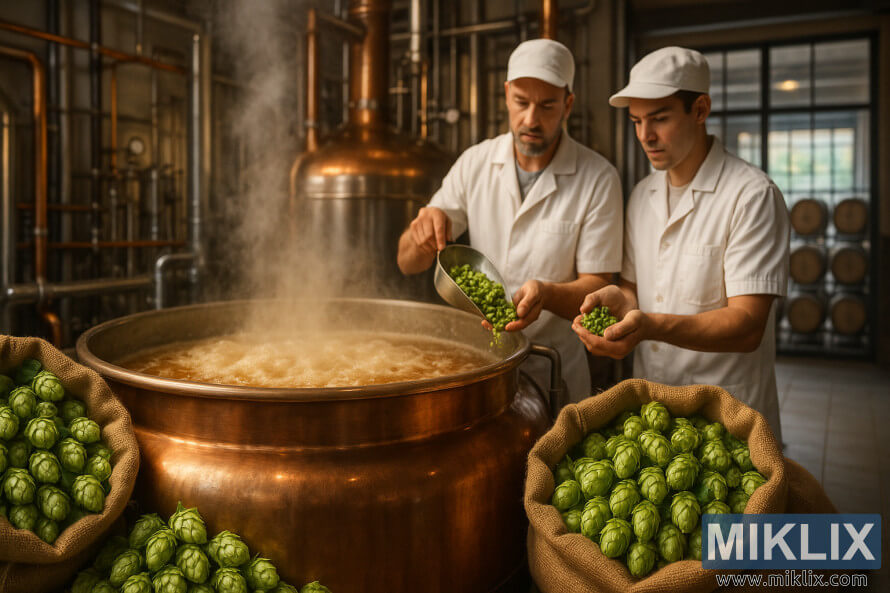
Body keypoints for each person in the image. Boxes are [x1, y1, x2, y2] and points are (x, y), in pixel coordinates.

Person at [573, 46, 789, 440]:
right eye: (637, 121)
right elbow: (635, 289)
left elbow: (747, 326)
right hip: (655, 412)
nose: (645, 135)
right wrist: (623, 304)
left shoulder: (752, 195)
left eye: (659, 119)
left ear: (700, 110)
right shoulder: (642, 196)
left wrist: (649, 326)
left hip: (727, 417)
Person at [397, 39, 623, 402]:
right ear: (506, 95)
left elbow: (598, 286)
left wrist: (547, 294)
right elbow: (408, 262)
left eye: (547, 105)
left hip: (554, 368)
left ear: (568, 104)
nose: (531, 119)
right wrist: (421, 230)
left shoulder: (598, 177)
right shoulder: (476, 162)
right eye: (522, 102)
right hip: (484, 361)